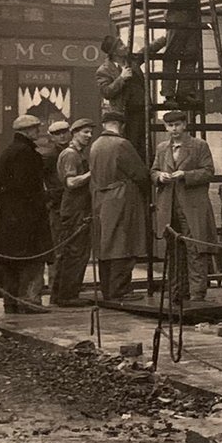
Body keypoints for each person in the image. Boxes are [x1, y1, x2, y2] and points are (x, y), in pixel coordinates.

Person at [151, 110, 216, 306]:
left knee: (195, 250)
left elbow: (208, 171)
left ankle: (197, 294)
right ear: (165, 127)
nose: (174, 130)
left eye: (177, 125)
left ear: (185, 125)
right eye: (170, 126)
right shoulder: (162, 148)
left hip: (192, 207)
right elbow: (153, 171)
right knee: (173, 252)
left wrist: (185, 175)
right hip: (169, 208)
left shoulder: (199, 146)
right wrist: (159, 177)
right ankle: (176, 293)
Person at [0, 114, 51, 313]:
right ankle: (30, 302)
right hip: (29, 218)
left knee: (10, 264)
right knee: (34, 260)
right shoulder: (27, 153)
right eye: (35, 128)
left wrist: (9, 204)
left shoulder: (8, 152)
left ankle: (10, 303)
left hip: (9, 218)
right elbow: (27, 187)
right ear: (26, 131)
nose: (38, 131)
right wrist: (43, 200)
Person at [88, 111, 148, 302]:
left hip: (101, 199)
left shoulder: (95, 145)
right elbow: (140, 174)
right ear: (120, 125)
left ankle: (108, 290)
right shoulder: (122, 144)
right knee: (124, 243)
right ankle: (120, 290)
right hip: (122, 199)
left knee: (106, 245)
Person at [95, 34, 166, 153]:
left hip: (142, 111)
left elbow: (148, 49)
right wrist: (121, 78)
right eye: (121, 45)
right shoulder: (104, 70)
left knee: (144, 147)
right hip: (125, 114)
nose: (125, 46)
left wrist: (165, 38)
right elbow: (106, 92)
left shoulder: (132, 60)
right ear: (114, 52)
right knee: (129, 147)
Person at [52, 118, 94, 306]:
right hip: (74, 209)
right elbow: (71, 182)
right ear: (74, 133)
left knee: (72, 253)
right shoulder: (71, 155)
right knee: (75, 252)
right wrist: (92, 173)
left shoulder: (77, 154)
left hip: (77, 208)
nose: (89, 136)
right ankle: (67, 296)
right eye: (85, 132)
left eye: (90, 132)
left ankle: (62, 294)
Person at [41, 120, 71, 296]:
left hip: (69, 204)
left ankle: (64, 288)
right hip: (57, 205)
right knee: (58, 249)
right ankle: (55, 289)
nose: (62, 136)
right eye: (57, 133)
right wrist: (50, 197)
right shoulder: (50, 156)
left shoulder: (72, 152)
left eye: (64, 132)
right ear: (52, 137)